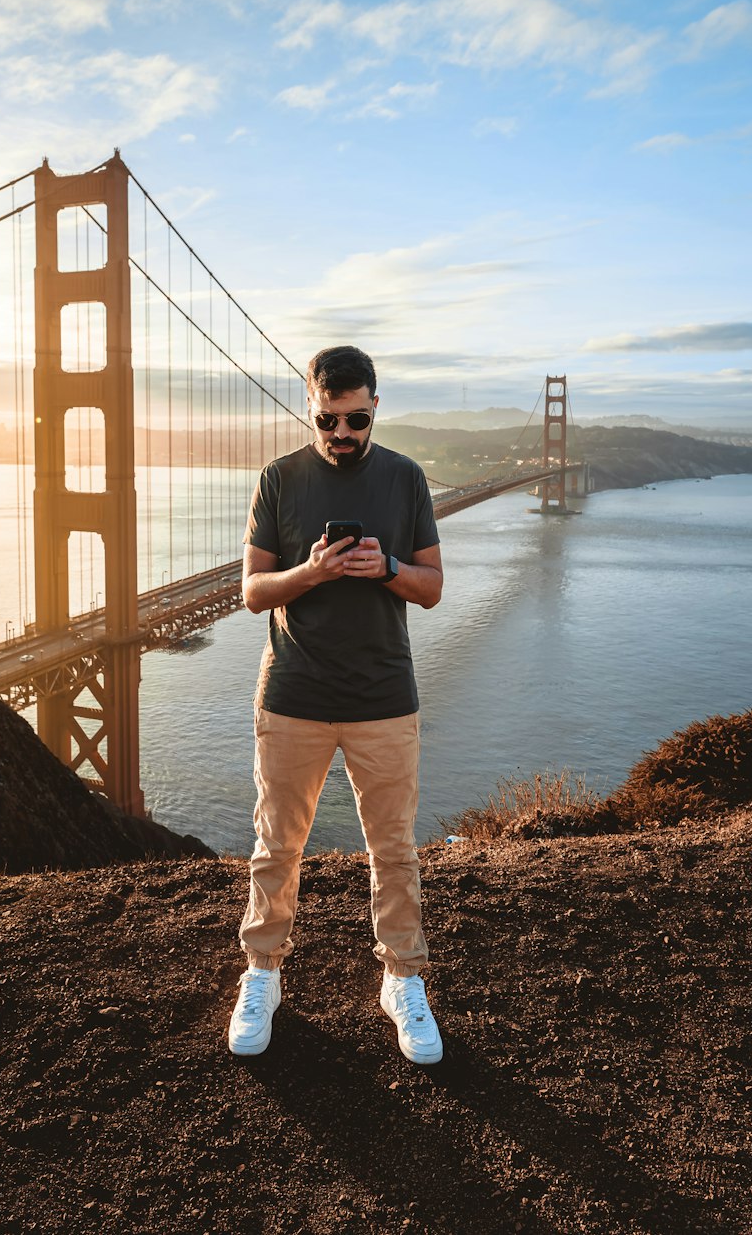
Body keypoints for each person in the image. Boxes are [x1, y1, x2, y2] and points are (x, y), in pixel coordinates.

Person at [228, 344, 444, 1064]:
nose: (342, 433)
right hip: (292, 694)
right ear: (310, 403)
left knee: (394, 851)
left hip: (385, 698)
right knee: (276, 847)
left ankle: (401, 980)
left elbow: (432, 585)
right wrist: (311, 573)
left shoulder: (407, 479)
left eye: (356, 419)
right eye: (328, 418)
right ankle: (262, 973)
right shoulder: (279, 479)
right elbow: (253, 591)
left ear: (375, 405)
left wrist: (385, 568)